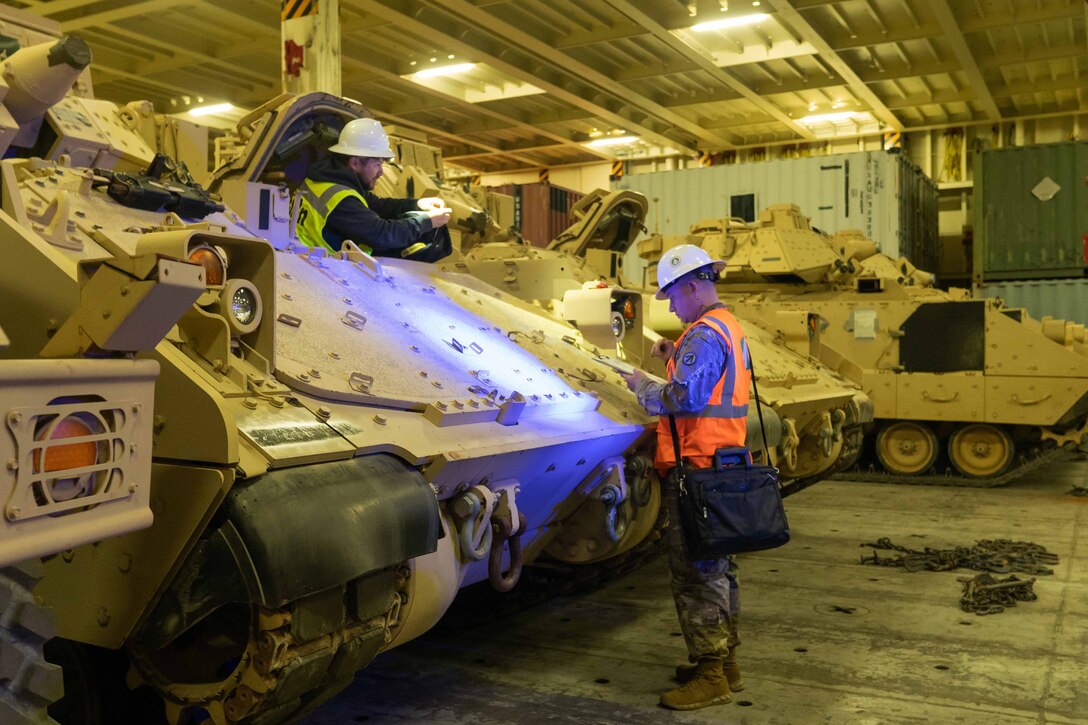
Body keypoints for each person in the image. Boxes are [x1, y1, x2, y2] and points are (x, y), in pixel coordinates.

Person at [621, 244, 751, 711]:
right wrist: (677, 352)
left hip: (697, 468)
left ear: (693, 287)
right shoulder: (727, 327)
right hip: (724, 463)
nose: (672, 307)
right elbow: (711, 383)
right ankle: (724, 663)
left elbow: (682, 398)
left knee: (696, 573)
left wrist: (642, 385)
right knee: (720, 568)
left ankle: (711, 675)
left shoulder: (704, 334)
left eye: (674, 297)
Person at [295, 117, 453, 261]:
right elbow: (382, 234)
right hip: (322, 270)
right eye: (377, 164)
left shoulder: (325, 181)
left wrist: (418, 205)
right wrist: (427, 221)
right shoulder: (341, 200)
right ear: (356, 163)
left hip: (309, 261)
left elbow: (377, 204)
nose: (381, 172)